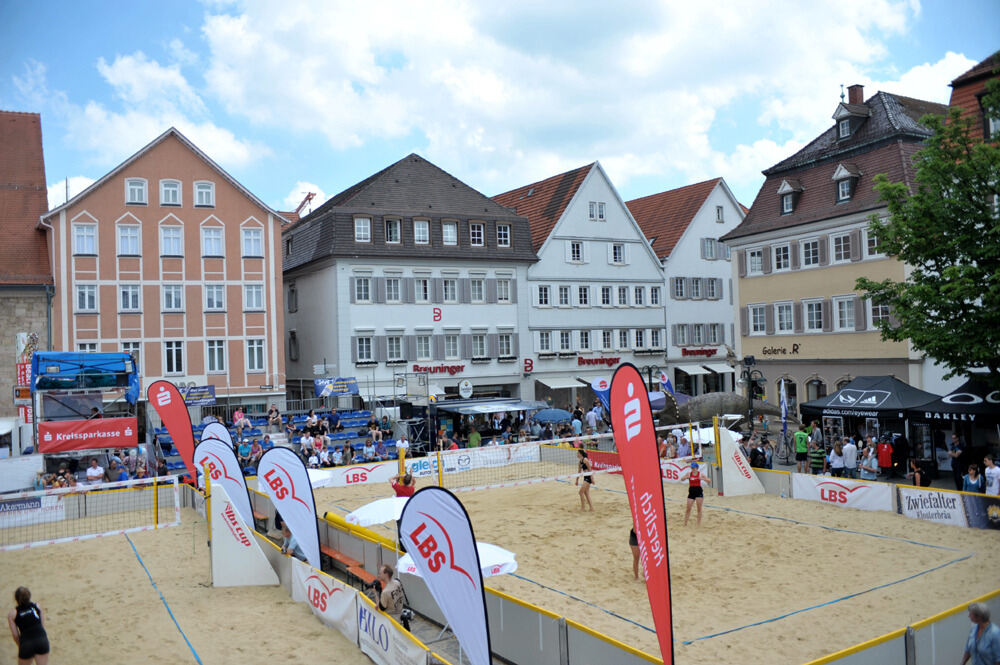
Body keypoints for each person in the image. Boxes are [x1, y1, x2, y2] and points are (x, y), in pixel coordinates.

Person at [8, 587, 49, 664]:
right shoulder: (37, 606)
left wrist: (22, 646)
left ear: (16, 599)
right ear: (29, 596)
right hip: (41, 640)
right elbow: (42, 626)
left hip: (26, 642)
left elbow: (15, 635)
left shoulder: (13, 614)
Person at [682, 461, 711, 526]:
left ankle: (698, 524)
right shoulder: (689, 473)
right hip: (691, 491)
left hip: (698, 491)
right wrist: (686, 477)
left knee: (699, 509)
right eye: (692, 468)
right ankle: (685, 523)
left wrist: (702, 478)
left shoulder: (700, 474)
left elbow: (709, 480)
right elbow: (682, 479)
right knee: (688, 508)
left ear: (697, 468)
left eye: (694, 468)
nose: (693, 469)